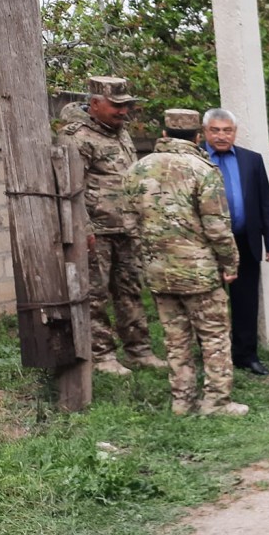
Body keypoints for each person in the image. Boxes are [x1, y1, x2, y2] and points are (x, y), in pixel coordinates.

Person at [127, 109, 246, 416]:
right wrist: (230, 264)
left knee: (175, 340)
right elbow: (218, 227)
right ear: (197, 137)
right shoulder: (203, 169)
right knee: (215, 337)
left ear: (164, 134)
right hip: (199, 273)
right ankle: (216, 402)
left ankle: (182, 402)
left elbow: (128, 222)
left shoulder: (138, 169)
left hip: (158, 272)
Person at [60, 76, 164, 376]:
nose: (123, 111)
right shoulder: (77, 137)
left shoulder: (122, 133)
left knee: (130, 290)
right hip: (98, 232)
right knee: (95, 295)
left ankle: (139, 350)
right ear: (95, 103)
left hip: (128, 228)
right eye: (117, 106)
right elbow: (71, 188)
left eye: (127, 105)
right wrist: (85, 229)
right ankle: (102, 355)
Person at [202, 108, 269, 376]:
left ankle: (246, 355)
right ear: (205, 132)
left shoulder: (251, 160)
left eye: (227, 130)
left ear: (235, 132)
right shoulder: (196, 159)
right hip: (207, 245)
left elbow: (264, 203)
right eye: (215, 130)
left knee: (246, 301)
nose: (222, 135)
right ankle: (211, 358)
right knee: (208, 303)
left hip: (245, 241)